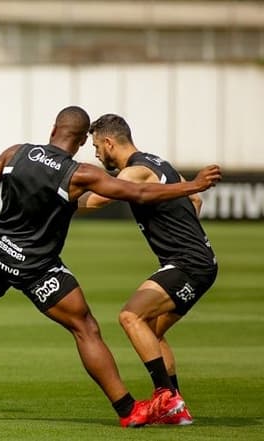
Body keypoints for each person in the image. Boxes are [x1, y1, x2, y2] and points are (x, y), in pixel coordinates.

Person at [0, 106, 221, 427]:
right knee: (85, 328)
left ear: (54, 128)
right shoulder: (80, 174)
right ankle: (128, 410)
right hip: (37, 267)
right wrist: (192, 186)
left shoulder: (17, 153)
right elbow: (138, 191)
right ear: (83, 140)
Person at [79, 113, 219, 425]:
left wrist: (54, 200)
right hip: (198, 260)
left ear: (109, 142)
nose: (97, 154)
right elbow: (195, 199)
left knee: (130, 316)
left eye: (96, 147)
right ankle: (176, 408)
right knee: (151, 331)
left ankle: (164, 396)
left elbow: (98, 199)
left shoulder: (135, 172)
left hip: (188, 264)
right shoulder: (160, 163)